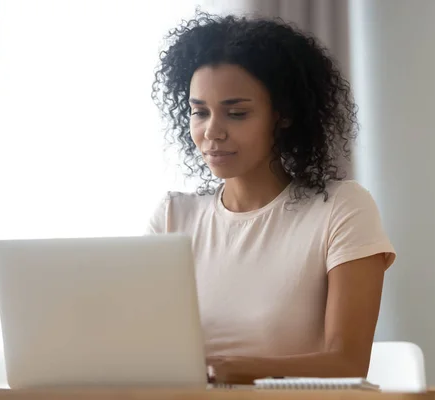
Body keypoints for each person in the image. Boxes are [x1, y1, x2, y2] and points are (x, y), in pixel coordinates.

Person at [148, 11, 396, 385]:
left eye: (237, 113)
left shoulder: (341, 208)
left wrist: (233, 369)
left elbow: (348, 363)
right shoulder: (173, 217)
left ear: (283, 116)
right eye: (199, 113)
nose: (212, 132)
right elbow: (145, 350)